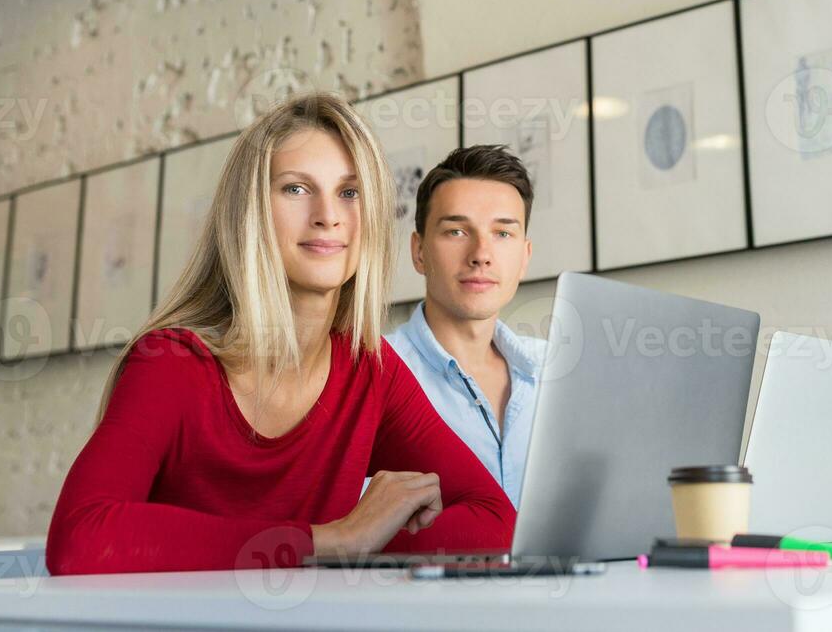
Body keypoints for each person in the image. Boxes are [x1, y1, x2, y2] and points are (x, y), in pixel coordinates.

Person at [45, 95, 514, 575]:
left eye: (349, 193)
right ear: (249, 212)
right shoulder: (171, 362)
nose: (327, 215)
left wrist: (355, 543)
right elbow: (80, 541)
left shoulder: (368, 368)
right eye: (295, 189)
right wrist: (331, 539)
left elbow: (497, 520)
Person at [388, 144, 832, 536]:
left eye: (502, 233)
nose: (482, 252)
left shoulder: (565, 371)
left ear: (524, 255)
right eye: (456, 231)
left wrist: (831, 522)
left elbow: (646, 506)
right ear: (418, 251)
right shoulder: (370, 373)